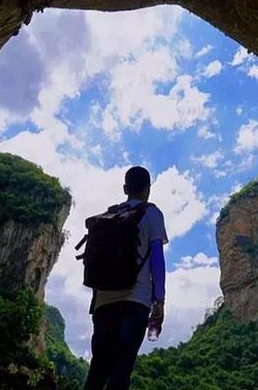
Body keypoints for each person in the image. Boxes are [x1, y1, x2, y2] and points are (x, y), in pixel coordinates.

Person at [84, 166, 168, 390]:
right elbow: (157, 261)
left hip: (103, 302)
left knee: (98, 368)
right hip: (135, 301)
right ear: (148, 189)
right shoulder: (152, 214)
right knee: (122, 369)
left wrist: (98, 300)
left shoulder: (108, 216)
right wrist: (159, 301)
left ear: (125, 189)